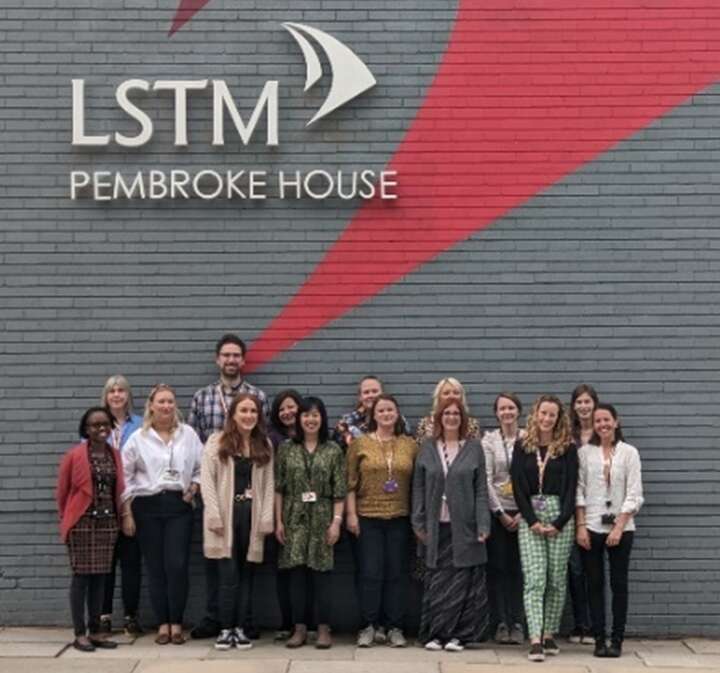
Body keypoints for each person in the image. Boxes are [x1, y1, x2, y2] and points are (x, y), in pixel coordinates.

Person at [188, 333, 268, 640]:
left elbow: (264, 438)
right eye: (226, 355)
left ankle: (243, 622)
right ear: (217, 359)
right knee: (217, 564)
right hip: (216, 488)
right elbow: (194, 445)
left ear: (243, 361)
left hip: (248, 492)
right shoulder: (202, 396)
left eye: (236, 355)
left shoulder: (257, 396)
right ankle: (216, 619)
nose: (231, 360)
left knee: (246, 564)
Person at [121, 384, 202, 645]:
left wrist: (194, 487)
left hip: (179, 506)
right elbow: (125, 476)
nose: (166, 406)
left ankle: (177, 623)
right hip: (147, 507)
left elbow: (202, 466)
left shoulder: (188, 434)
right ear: (151, 406)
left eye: (170, 401)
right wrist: (128, 512)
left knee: (176, 565)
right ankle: (163, 624)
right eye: (161, 402)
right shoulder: (138, 438)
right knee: (156, 568)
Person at [412, 398, 490, 652]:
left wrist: (483, 523)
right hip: (437, 528)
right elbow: (418, 488)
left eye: (456, 413)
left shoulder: (474, 448)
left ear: (463, 418)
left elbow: (480, 490)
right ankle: (436, 634)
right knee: (438, 582)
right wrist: (418, 521)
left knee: (463, 583)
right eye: (447, 413)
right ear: (439, 418)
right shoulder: (427, 448)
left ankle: (460, 636)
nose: (452, 417)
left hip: (465, 527)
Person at [202, 394, 275, 651]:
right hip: (226, 516)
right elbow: (207, 481)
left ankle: (241, 628)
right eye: (243, 410)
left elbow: (268, 484)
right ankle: (225, 629)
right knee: (228, 576)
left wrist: (267, 518)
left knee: (247, 575)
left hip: (251, 518)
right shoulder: (216, 442)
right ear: (233, 414)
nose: (248, 416)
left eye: (253, 411)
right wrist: (213, 514)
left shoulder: (263, 444)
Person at [346, 394, 418, 648]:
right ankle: (368, 625)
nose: (386, 414)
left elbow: (417, 484)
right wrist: (351, 515)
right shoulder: (360, 443)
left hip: (400, 517)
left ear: (397, 414)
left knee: (397, 574)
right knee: (370, 573)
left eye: (391, 410)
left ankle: (394, 627)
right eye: (381, 410)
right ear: (373, 415)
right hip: (367, 517)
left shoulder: (410, 444)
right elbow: (350, 483)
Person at [275, 397, 346, 649]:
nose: (311, 419)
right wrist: (278, 521)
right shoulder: (286, 449)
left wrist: (336, 522)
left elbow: (339, 491)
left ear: (322, 418)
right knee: (296, 575)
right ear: (299, 419)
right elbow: (279, 488)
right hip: (293, 516)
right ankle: (300, 628)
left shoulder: (333, 450)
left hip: (323, 516)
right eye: (306, 415)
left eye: (315, 415)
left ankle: (323, 628)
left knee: (321, 574)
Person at [511, 394, 577, 662]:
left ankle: (549, 632)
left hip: (560, 515)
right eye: (543, 413)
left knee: (556, 579)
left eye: (552, 414)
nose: (547, 419)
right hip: (531, 517)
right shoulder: (522, 445)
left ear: (558, 418)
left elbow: (573, 488)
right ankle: (535, 638)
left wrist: (560, 522)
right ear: (535, 414)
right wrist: (532, 520)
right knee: (535, 579)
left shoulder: (567, 448)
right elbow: (517, 485)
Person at [576, 404, 643, 658]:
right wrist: (581, 526)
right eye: (597, 421)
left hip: (621, 528)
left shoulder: (629, 453)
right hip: (592, 525)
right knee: (593, 584)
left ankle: (617, 639)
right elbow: (579, 490)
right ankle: (598, 639)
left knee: (619, 584)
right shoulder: (584, 453)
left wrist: (619, 526)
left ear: (616, 422)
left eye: (606, 420)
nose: (602, 424)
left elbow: (635, 493)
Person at [56, 406, 124, 652]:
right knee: (81, 577)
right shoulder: (74, 456)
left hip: (107, 524)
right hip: (82, 524)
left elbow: (118, 489)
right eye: (95, 425)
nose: (101, 428)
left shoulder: (114, 455)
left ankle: (96, 631)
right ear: (86, 429)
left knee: (101, 577)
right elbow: (62, 493)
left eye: (105, 424)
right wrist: (68, 520)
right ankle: (79, 633)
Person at [98, 375, 144, 636]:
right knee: (105, 563)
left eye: (121, 390)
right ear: (105, 396)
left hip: (133, 502)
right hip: (103, 503)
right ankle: (103, 615)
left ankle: (131, 616)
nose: (116, 395)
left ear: (128, 395)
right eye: (111, 391)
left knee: (131, 562)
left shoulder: (139, 424)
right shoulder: (97, 423)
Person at [482, 392, 525, 645]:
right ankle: (499, 622)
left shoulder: (528, 438)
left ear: (518, 411)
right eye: (502, 408)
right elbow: (486, 479)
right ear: (496, 413)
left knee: (519, 571)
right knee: (497, 569)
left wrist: (522, 513)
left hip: (523, 514)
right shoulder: (489, 440)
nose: (507, 412)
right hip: (497, 513)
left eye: (511, 407)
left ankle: (517, 622)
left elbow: (536, 478)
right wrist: (499, 512)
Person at [267, 389, 310, 641]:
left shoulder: (314, 437)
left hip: (311, 513)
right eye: (281, 409)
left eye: (291, 407)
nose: (287, 412)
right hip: (282, 511)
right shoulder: (271, 439)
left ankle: (309, 623)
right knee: (285, 571)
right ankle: (288, 622)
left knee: (309, 571)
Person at [567, 384, 600, 644]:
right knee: (575, 569)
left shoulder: (604, 433)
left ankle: (596, 625)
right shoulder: (568, 435)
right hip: (572, 508)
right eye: (579, 402)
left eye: (587, 401)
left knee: (595, 569)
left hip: (599, 510)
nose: (583, 407)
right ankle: (581, 624)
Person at [333, 375, 410, 448]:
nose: (371, 395)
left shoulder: (398, 420)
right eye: (366, 392)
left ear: (382, 394)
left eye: (375, 391)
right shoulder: (347, 423)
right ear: (360, 397)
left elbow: (409, 447)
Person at [415, 377, 481, 440]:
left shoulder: (471, 425)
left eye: (456, 393)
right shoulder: (425, 424)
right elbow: (421, 449)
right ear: (438, 398)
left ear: (462, 397)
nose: (451, 396)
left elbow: (476, 450)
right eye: (446, 393)